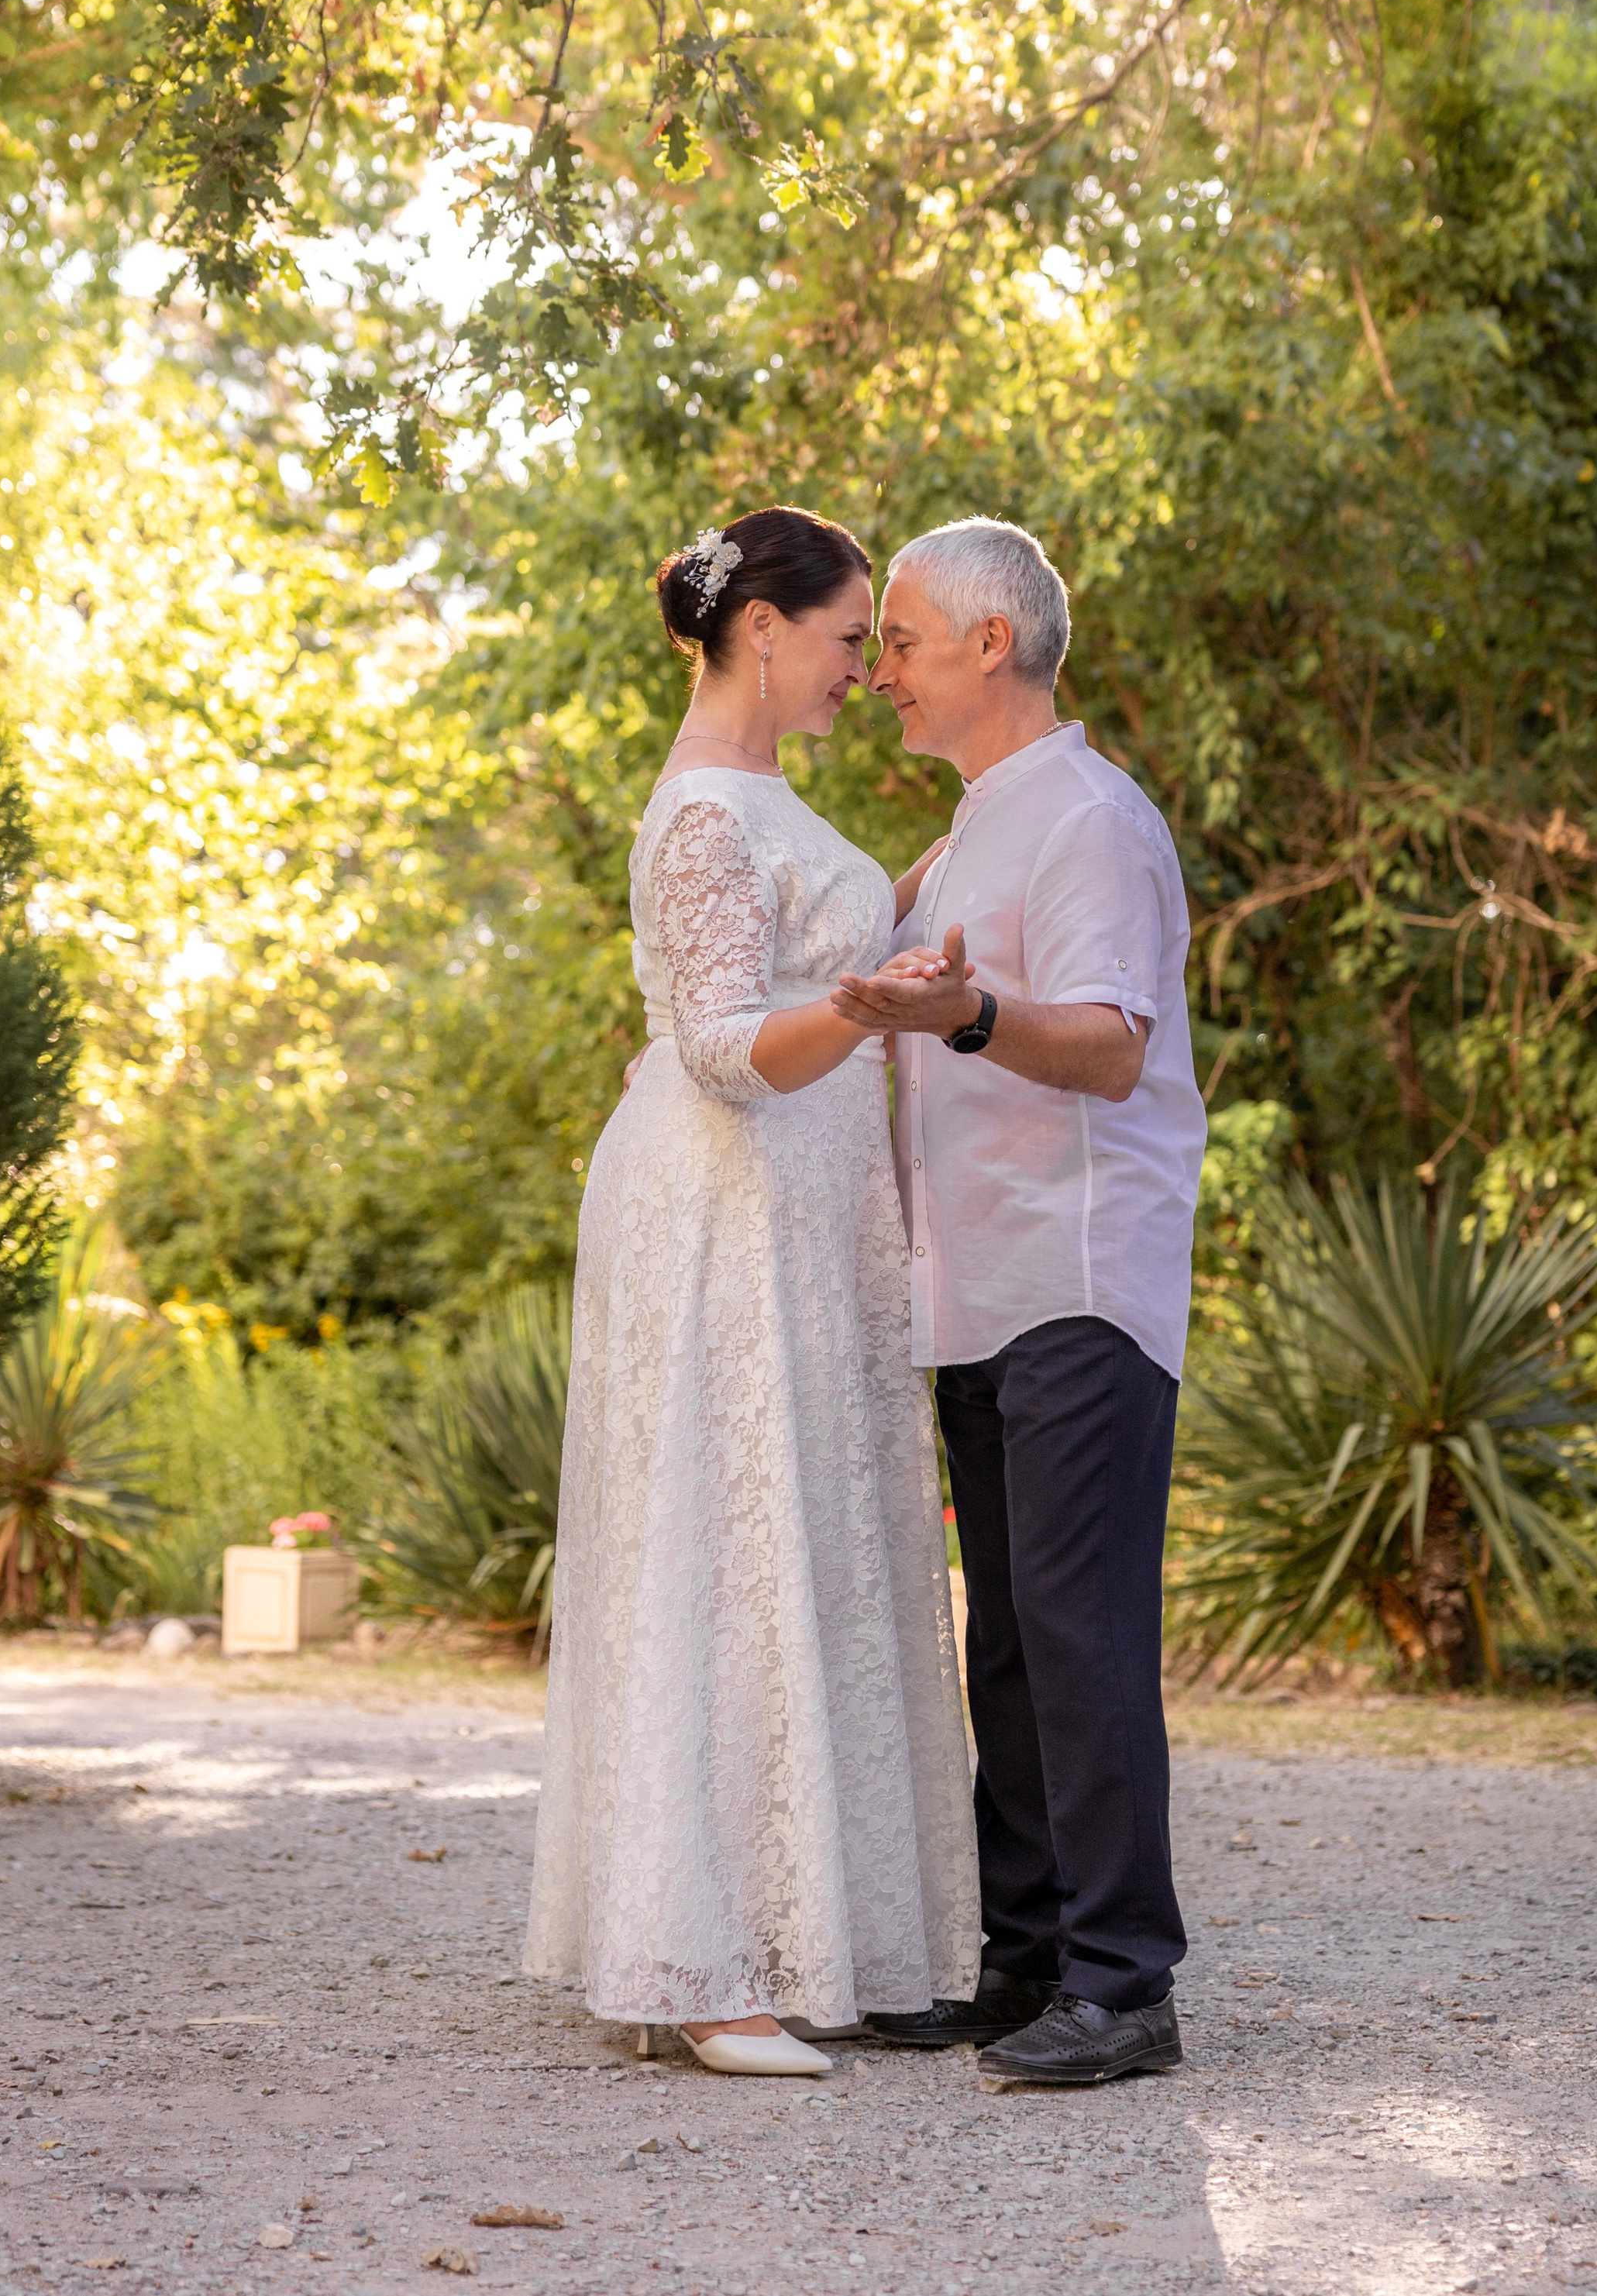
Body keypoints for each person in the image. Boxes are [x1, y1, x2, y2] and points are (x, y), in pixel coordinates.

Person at [523, 505, 978, 2079]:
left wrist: (940, 884)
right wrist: (862, 1008)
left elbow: (833, 942)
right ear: (763, 627)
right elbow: (724, 1048)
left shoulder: (771, 804)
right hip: (723, 1211)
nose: (866, 669)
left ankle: (819, 1936)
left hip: (804, 1215)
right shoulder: (704, 818)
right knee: (725, 1546)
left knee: (806, 1538)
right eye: (853, 638)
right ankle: (703, 1963)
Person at [832, 516, 1206, 2090]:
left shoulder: (1089, 818)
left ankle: (1125, 1984)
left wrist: (969, 1010)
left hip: (1077, 1280)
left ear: (993, 644)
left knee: (1076, 1630)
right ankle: (1026, 1963)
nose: (884, 674)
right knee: (1007, 1646)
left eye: (901, 639)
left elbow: (1111, 1046)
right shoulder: (970, 828)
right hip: (973, 1289)